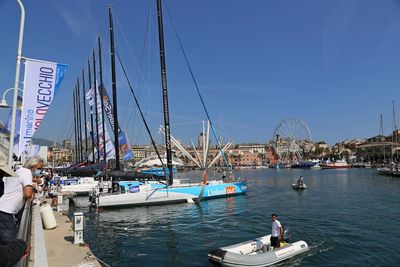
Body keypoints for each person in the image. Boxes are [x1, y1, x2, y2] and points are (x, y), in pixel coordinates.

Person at [0, 156, 44, 245]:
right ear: (32, 166)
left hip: (3, 209)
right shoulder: (27, 172)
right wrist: (32, 189)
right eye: (39, 168)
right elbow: (28, 194)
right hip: (5, 211)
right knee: (10, 243)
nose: (40, 171)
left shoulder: (20, 171)